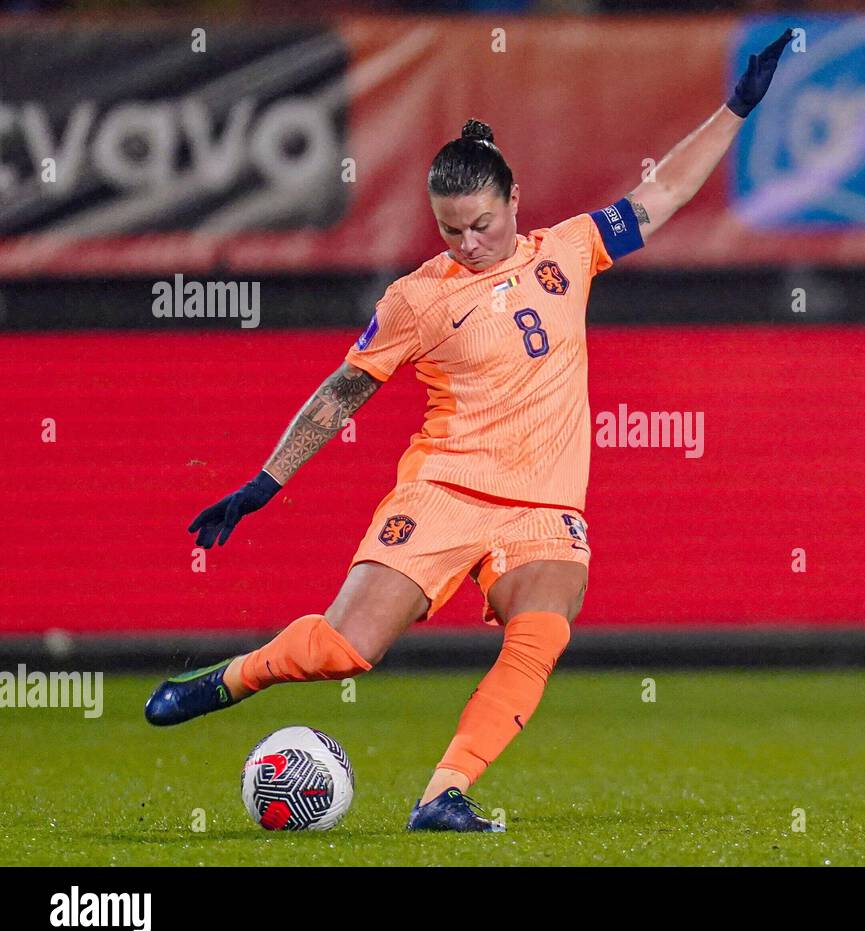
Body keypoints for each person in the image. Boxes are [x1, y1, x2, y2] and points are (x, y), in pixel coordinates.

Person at [145, 28, 794, 832]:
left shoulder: (572, 250)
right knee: (347, 650)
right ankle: (232, 679)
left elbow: (665, 195)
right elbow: (340, 395)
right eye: (450, 230)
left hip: (541, 507)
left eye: (481, 225)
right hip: (443, 489)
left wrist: (736, 108)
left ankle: (441, 793)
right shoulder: (417, 298)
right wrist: (266, 480)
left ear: (514, 199)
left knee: (544, 627)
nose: (467, 244)